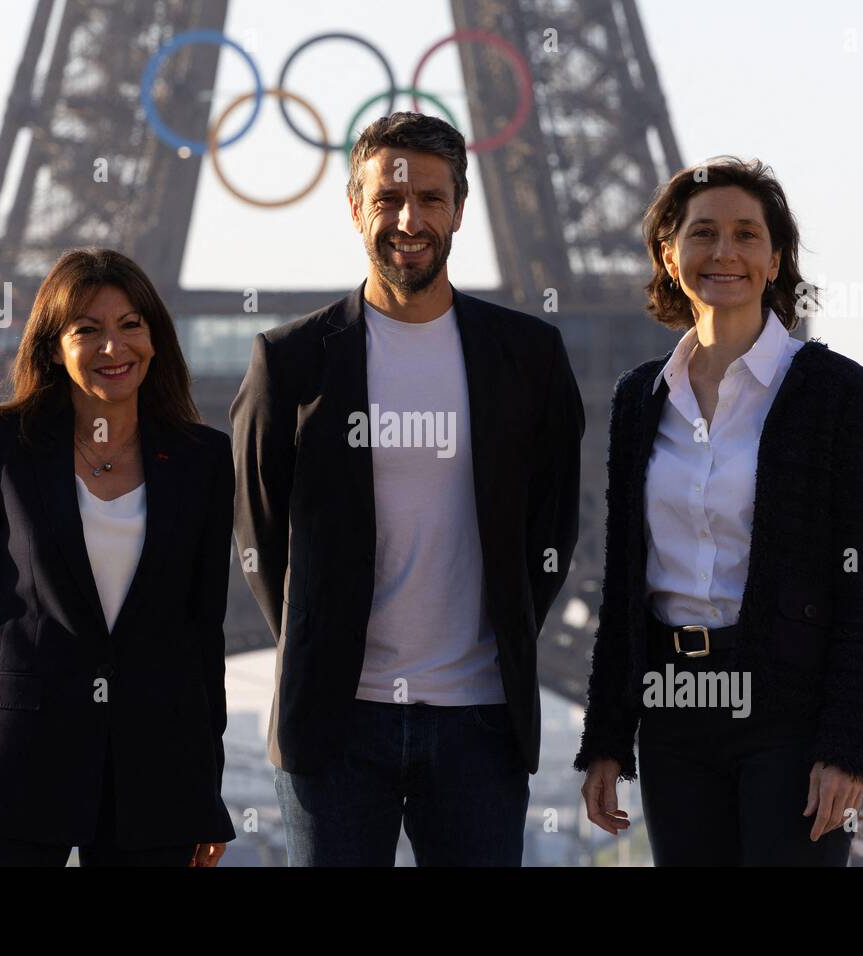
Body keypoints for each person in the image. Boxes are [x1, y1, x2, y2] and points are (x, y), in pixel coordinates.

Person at [230, 112, 584, 866]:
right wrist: (319, 641)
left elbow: (552, 527)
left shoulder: (530, 358)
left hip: (480, 722)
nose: (409, 218)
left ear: (459, 207)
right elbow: (259, 535)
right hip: (335, 726)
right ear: (356, 207)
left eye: (430, 197)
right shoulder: (289, 362)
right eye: (388, 198)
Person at [575, 157, 863, 865]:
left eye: (747, 235)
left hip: (787, 712)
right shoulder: (639, 399)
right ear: (669, 253)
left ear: (776, 257)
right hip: (674, 708)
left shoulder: (838, 395)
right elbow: (625, 587)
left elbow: (862, 585)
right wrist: (605, 740)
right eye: (704, 233)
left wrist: (845, 747)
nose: (725, 252)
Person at [0, 248, 235, 866]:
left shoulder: (200, 460)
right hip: (8, 766)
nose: (114, 348)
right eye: (87, 330)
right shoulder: (1, 445)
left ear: (155, 338)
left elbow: (202, 637)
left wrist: (205, 787)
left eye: (130, 326)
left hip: (153, 776)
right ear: (52, 348)